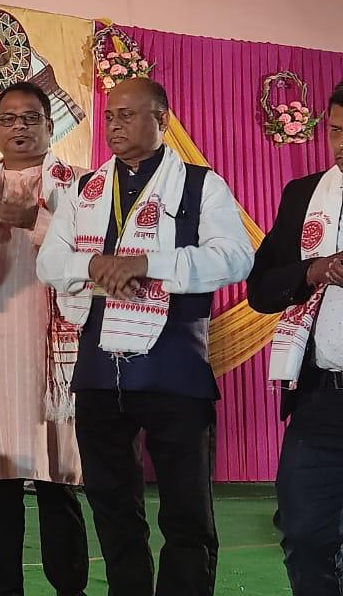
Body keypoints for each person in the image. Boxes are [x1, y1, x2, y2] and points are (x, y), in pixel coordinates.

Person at [38, 77, 254, 595]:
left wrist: (147, 263)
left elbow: (235, 257)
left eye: (128, 114)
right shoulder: (84, 189)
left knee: (186, 514)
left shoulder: (202, 185)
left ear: (162, 120)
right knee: (112, 507)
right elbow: (49, 261)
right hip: (97, 373)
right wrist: (95, 264)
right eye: (110, 115)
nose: (115, 125)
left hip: (175, 371)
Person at [0, 81, 87, 596]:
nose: (19, 127)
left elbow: (91, 254)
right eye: (8, 118)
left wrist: (35, 219)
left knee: (57, 486)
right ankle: (1, 588)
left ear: (50, 125)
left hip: (55, 362)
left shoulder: (80, 185)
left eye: (30, 117)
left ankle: (70, 587)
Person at [250, 82, 343, 595]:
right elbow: (261, 289)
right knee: (304, 534)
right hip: (322, 398)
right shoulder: (304, 194)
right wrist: (315, 270)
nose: (341, 145)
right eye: (336, 131)